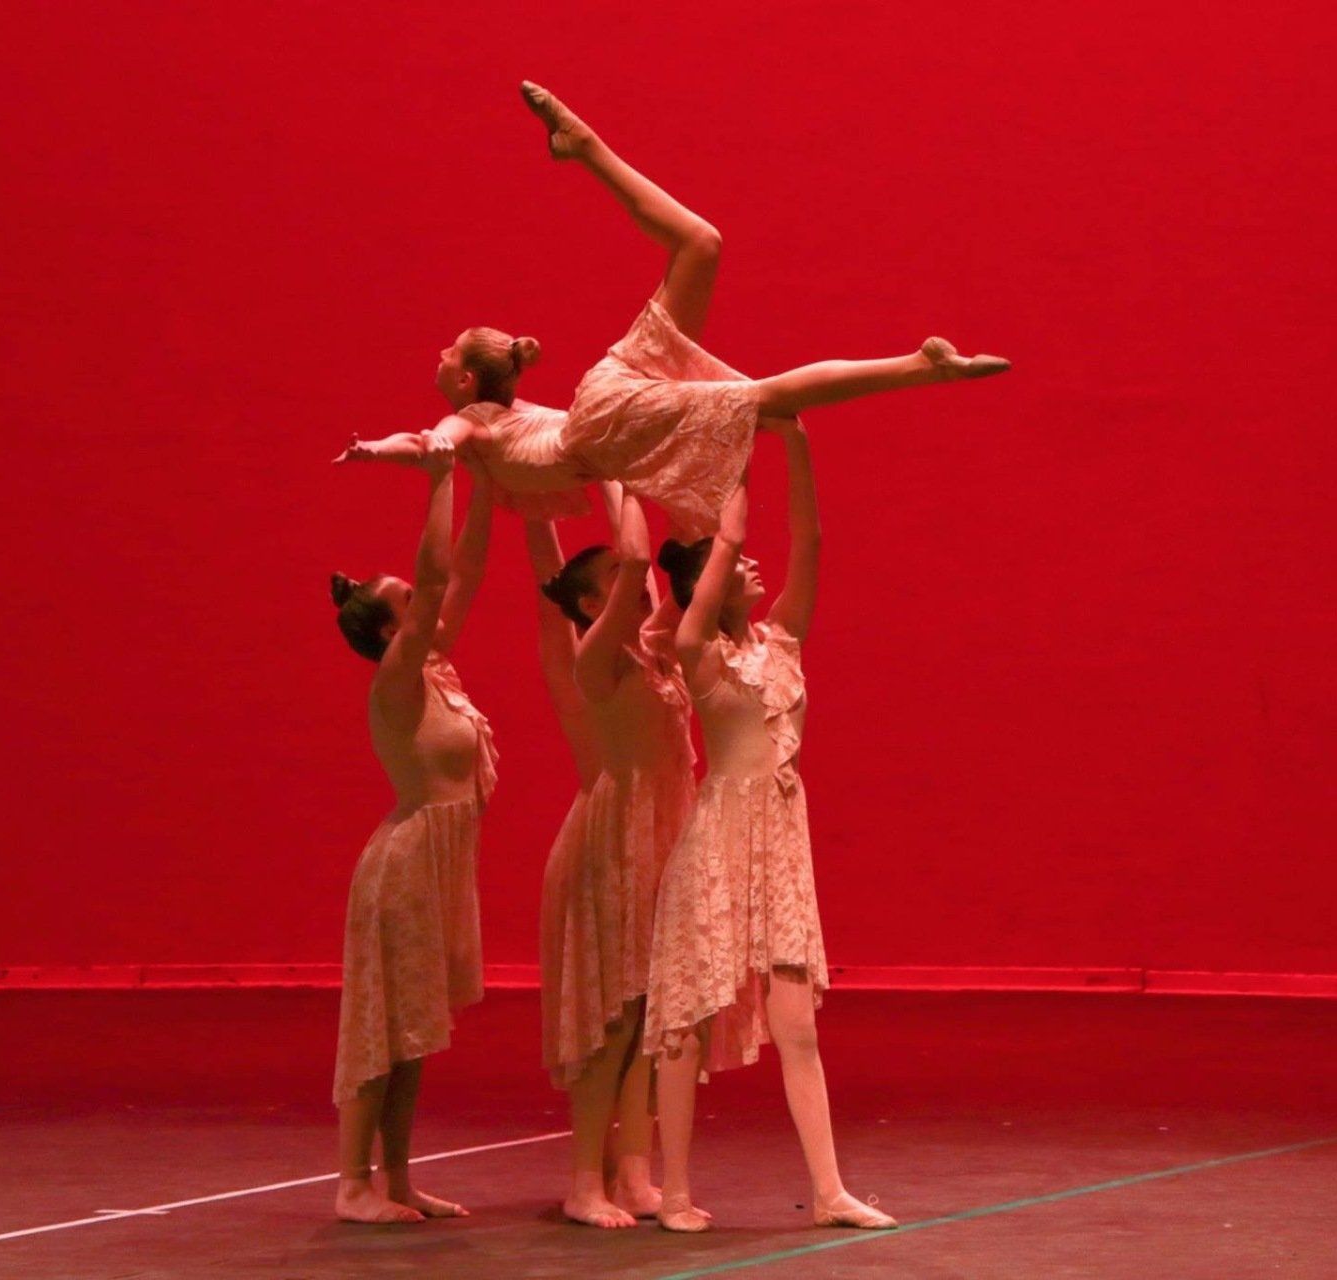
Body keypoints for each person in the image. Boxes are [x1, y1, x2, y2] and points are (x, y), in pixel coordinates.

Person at [336, 83, 1007, 538]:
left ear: (465, 385)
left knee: (762, 394)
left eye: (448, 355)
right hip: (607, 404)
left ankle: (923, 366)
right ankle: (585, 148)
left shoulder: (471, 424)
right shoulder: (503, 419)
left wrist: (388, 451)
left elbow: (437, 441)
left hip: (604, 423)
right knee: (701, 245)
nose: (439, 357)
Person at [645, 423, 897, 1232]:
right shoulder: (702, 657)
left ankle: (829, 1192)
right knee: (684, 1020)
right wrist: (725, 532)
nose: (753, 565)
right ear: (709, 585)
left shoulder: (782, 640)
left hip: (782, 846)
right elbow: (688, 625)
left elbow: (814, 538)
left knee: (798, 1026)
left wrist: (793, 446)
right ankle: (676, 1192)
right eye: (734, 564)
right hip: (719, 843)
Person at [327, 440, 497, 1223]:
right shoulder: (398, 680)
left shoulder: (435, 668)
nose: (423, 606)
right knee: (381, 1029)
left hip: (438, 867)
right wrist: (440, 478)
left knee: (415, 1031)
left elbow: (457, 578)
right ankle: (353, 1185)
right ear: (389, 628)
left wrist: (494, 488)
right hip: (403, 868)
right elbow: (434, 581)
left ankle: (396, 1177)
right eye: (406, 603)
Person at [533, 491, 696, 1226]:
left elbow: (651, 573)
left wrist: (628, 488)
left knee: (649, 1016)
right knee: (612, 1015)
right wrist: (621, 474)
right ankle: (583, 1182)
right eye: (623, 583)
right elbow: (637, 560)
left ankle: (633, 1170)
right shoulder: (597, 656)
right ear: (598, 598)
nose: (643, 587)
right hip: (618, 837)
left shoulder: (653, 646)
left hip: (664, 832)